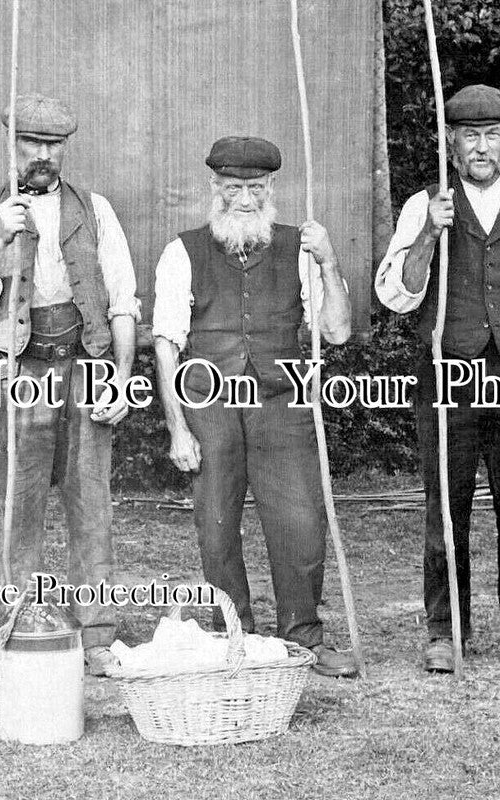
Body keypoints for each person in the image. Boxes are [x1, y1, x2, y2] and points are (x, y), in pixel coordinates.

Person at [375, 84, 500, 673]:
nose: (482, 147)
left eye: (493, 135)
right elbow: (395, 294)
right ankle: (446, 633)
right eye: (470, 136)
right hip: (448, 376)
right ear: (451, 141)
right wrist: (430, 235)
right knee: (448, 507)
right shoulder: (426, 206)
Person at [0, 94, 140, 678]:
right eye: (31, 144)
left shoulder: (96, 209)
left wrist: (123, 378)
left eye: (53, 145)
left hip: (87, 360)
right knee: (19, 502)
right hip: (20, 365)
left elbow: (124, 301)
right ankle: (16, 628)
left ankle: (98, 632)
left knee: (91, 500)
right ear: (12, 145)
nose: (43, 156)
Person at [152, 135, 359, 678]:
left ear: (272, 189)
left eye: (256, 188)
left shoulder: (300, 246)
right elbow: (167, 342)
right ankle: (232, 633)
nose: (244, 199)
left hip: (283, 400)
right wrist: (178, 427)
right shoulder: (184, 250)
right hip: (210, 401)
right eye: (233, 188)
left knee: (299, 520)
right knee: (216, 524)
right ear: (214, 188)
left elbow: (335, 331)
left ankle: (303, 635)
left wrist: (329, 259)